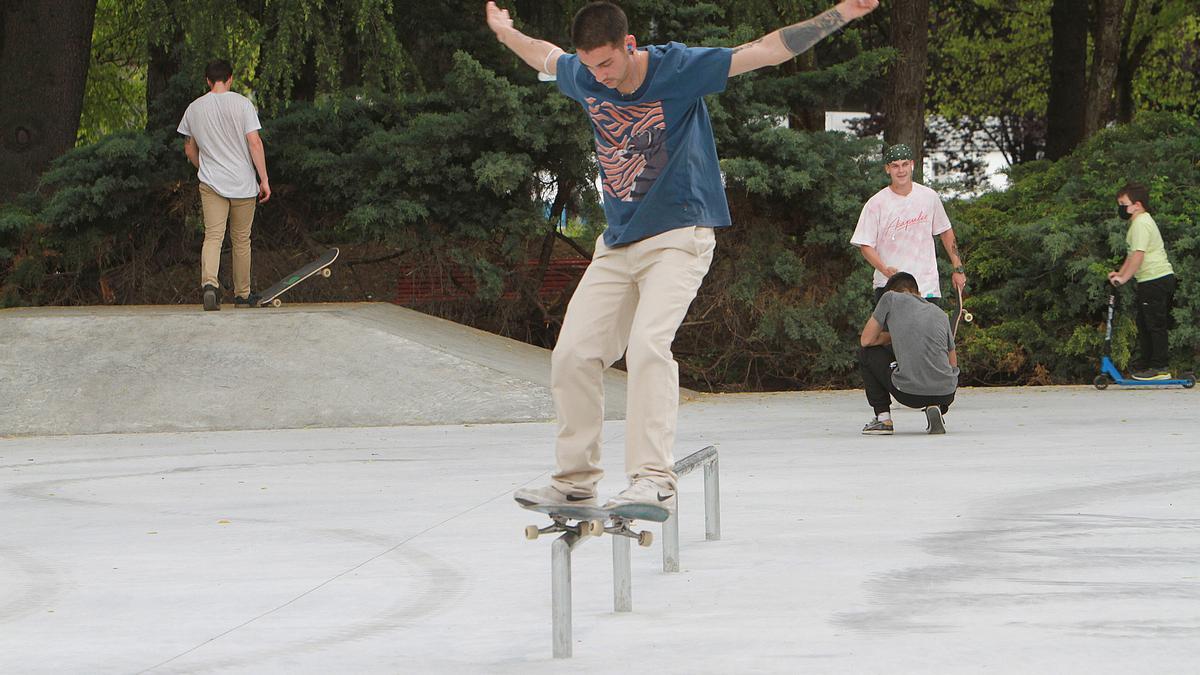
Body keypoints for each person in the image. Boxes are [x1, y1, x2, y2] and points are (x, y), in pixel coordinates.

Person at [486, 0, 880, 511]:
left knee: (648, 345)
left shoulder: (678, 68)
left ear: (629, 46)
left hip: (679, 235)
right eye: (590, 67)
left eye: (607, 64)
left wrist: (839, 15)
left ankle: (653, 478)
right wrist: (502, 31)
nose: (599, 77)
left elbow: (763, 51)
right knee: (572, 355)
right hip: (618, 241)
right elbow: (542, 54)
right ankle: (574, 481)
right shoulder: (582, 75)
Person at [178, 59, 271, 311]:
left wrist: (205, 168)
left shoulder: (194, 108)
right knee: (241, 239)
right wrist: (263, 179)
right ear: (230, 78)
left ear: (207, 80)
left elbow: (189, 147)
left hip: (211, 184)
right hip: (242, 182)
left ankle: (210, 284)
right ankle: (242, 295)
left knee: (213, 236)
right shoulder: (243, 104)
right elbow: (254, 142)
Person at [850, 144, 965, 304]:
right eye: (895, 166)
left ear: (912, 165)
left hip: (926, 287)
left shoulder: (929, 197)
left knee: (926, 330)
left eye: (905, 164)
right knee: (893, 330)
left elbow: (945, 232)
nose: (901, 170)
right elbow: (865, 245)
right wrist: (884, 269)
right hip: (890, 286)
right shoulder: (876, 203)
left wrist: (958, 268)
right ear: (887, 169)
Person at [858, 272, 958, 435]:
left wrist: (891, 336)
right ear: (918, 293)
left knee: (866, 353)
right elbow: (952, 360)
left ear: (891, 291)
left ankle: (883, 420)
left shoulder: (890, 298)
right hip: (947, 393)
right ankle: (935, 407)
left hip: (910, 394)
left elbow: (866, 340)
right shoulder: (939, 312)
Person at [1107, 182, 1176, 380]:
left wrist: (1124, 278)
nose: (1121, 208)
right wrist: (1119, 274)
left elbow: (1138, 255)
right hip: (1149, 280)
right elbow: (1130, 256)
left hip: (1155, 279)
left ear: (1137, 205)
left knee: (1154, 324)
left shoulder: (1141, 223)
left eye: (1123, 204)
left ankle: (1160, 367)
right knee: (1145, 323)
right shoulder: (1138, 223)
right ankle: (1147, 364)